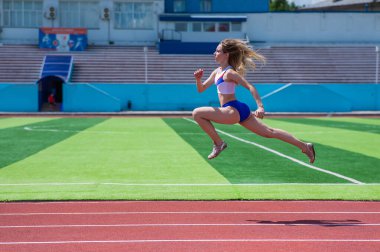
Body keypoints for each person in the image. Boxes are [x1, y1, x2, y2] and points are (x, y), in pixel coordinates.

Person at [192, 38, 316, 163]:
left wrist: (260, 106)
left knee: (197, 113)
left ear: (226, 54)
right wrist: (198, 79)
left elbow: (250, 87)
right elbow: (201, 89)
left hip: (232, 110)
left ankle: (219, 143)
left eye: (217, 51)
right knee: (269, 132)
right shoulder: (217, 72)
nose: (214, 53)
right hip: (239, 109)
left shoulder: (229, 73)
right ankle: (305, 146)